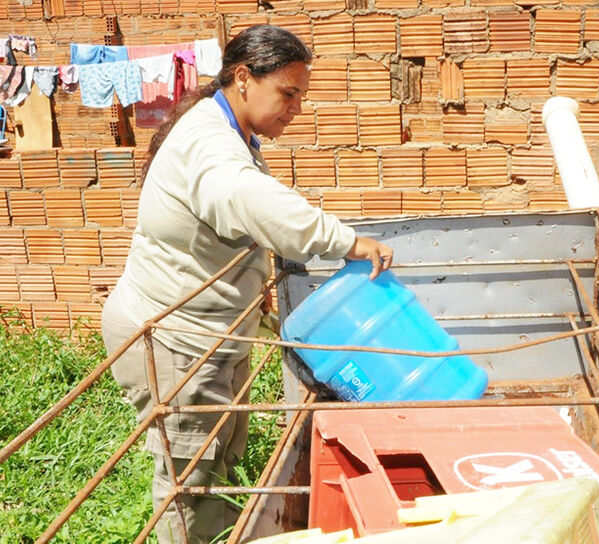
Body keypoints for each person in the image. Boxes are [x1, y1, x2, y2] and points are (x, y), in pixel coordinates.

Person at [100, 25, 393, 543]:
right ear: (243, 78)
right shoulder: (212, 147)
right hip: (175, 340)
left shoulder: (228, 129)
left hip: (208, 333)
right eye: (288, 93)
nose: (296, 109)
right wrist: (349, 242)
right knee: (189, 481)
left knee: (217, 459)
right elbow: (257, 203)